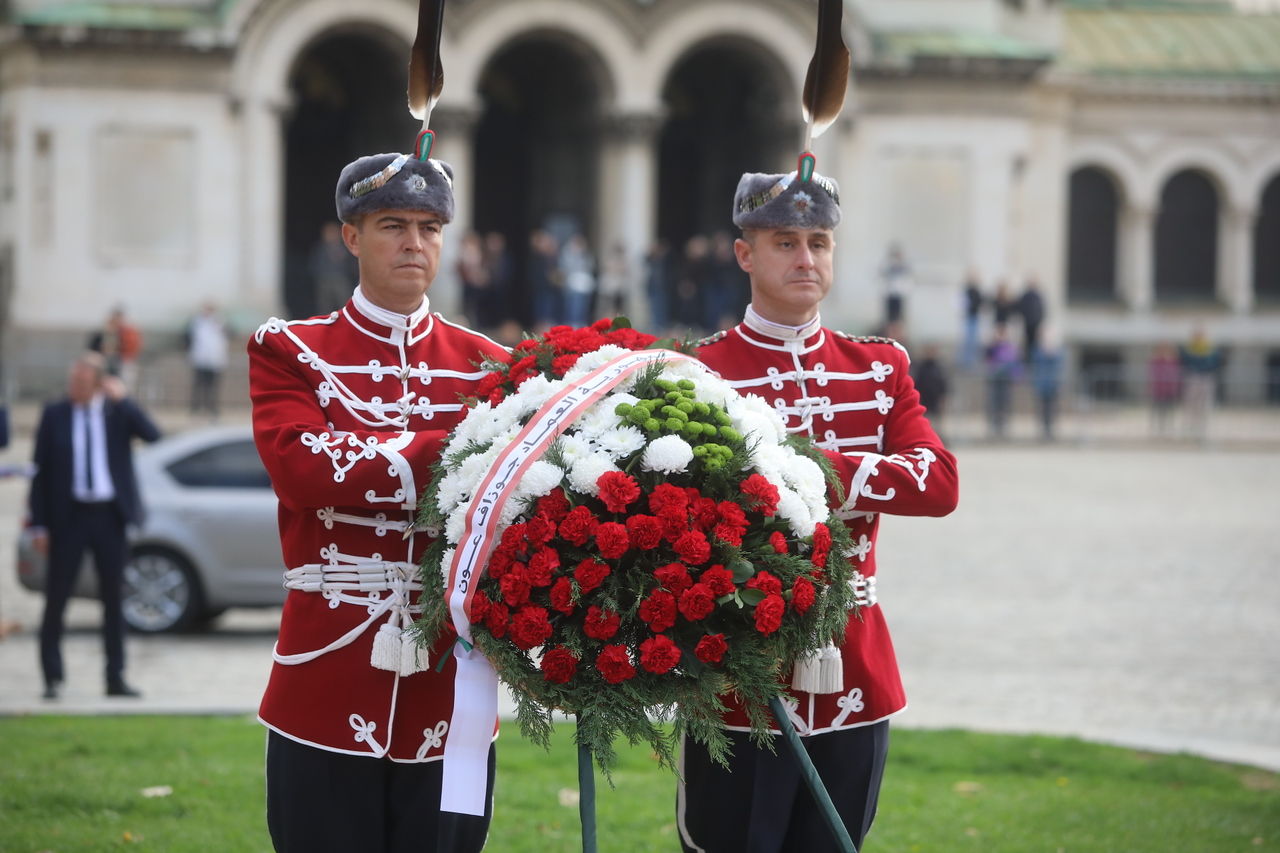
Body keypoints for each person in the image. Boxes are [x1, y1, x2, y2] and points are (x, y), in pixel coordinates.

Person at [682, 166, 959, 853]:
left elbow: (939, 482)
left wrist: (812, 469)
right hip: (738, 671)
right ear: (745, 254)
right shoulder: (699, 373)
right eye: (785, 242)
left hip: (854, 673)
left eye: (819, 242)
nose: (806, 258)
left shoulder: (879, 366)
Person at [249, 151, 506, 852]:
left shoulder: (490, 363)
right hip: (327, 683)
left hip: (449, 691)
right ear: (352, 236)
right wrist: (457, 448)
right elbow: (302, 468)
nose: (414, 242)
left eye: (429, 225)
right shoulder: (291, 350)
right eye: (393, 224)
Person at [29, 350, 160, 700]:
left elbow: (153, 435)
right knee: (57, 598)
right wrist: (38, 525)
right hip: (68, 518)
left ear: (100, 383)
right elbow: (39, 473)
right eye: (73, 381)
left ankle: (115, 676)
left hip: (109, 517)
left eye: (83, 382)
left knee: (114, 600)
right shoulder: (54, 414)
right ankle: (52, 677)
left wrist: (125, 400)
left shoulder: (115, 412)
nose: (76, 387)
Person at [1180, 323, 1220, 442]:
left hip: (1206, 377)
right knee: (1191, 405)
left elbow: (1215, 361)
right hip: (1193, 377)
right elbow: (1185, 360)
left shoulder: (1210, 346)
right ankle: (1191, 428)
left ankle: (1203, 429)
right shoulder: (1189, 347)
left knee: (1205, 405)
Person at [88, 306, 143, 393]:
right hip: (106, 361)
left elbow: (131, 346)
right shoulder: (104, 332)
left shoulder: (126, 331)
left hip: (124, 361)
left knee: (124, 385)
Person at [188, 302, 228, 418]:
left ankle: (212, 409)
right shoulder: (197, 322)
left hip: (215, 360)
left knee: (213, 387)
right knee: (199, 386)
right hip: (200, 360)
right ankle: (196, 409)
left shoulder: (220, 322)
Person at [310, 221, 359, 316]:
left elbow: (352, 265)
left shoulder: (346, 248)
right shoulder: (320, 249)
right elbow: (314, 264)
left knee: (344, 303)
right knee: (324, 306)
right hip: (324, 281)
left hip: (341, 280)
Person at [985, 323, 1021, 439]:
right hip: (994, 381)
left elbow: (1013, 362)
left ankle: (1004, 427)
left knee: (1005, 405)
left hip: (1005, 381)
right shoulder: (992, 347)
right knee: (993, 404)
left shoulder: (1010, 348)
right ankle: (994, 427)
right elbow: (987, 361)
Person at [1030, 328, 1064, 440]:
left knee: (1053, 409)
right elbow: (1035, 360)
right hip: (1042, 384)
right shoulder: (1038, 349)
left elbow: (1060, 360)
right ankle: (1043, 430)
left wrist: (1052, 352)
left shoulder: (1058, 350)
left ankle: (1051, 430)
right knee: (1042, 409)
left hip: (1053, 384)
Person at [912, 343, 950, 430]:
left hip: (935, 400)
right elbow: (917, 383)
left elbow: (943, 384)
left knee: (936, 423)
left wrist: (943, 399)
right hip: (924, 399)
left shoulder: (939, 367)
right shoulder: (921, 367)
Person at [1148, 342, 1182, 436]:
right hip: (1158, 390)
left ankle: (1168, 430)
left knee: (1169, 411)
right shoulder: (1156, 361)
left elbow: (1175, 374)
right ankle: (1157, 431)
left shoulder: (1173, 361)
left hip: (1169, 389)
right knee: (1158, 411)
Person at [879, 242, 913, 329]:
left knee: (899, 317)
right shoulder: (887, 264)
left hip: (899, 295)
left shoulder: (904, 265)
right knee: (889, 318)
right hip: (890, 295)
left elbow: (907, 279)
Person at [1018, 276, 1046, 361]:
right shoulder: (1026, 296)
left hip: (1036, 324)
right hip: (1028, 323)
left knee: (1036, 344)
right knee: (1027, 343)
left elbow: (1041, 310)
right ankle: (1028, 361)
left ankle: (1034, 361)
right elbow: (1022, 308)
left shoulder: (1037, 296)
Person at [960, 270, 983, 369]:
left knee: (974, 340)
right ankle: (966, 361)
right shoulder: (967, 290)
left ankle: (972, 361)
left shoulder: (977, 291)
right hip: (969, 317)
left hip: (974, 316)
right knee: (968, 340)